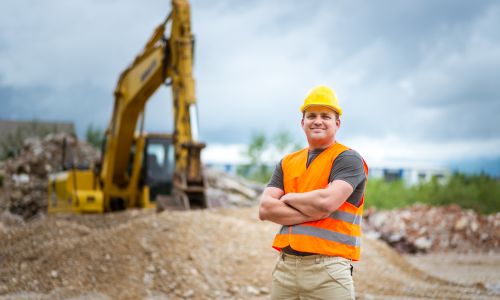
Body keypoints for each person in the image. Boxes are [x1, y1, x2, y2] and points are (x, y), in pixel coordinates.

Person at [259, 85, 368, 300]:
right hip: (286, 269)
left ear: (337, 124)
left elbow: (327, 202)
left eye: (325, 116)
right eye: (311, 116)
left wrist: (289, 198)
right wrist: (314, 211)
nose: (317, 121)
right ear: (302, 123)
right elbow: (265, 209)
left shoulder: (347, 159)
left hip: (328, 270)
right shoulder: (288, 162)